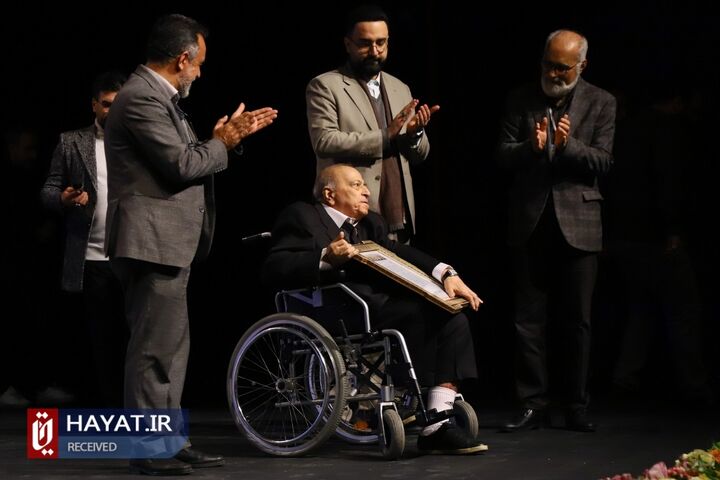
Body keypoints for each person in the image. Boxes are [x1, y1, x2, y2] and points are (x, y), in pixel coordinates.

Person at [104, 13, 277, 475]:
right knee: (152, 351)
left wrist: (223, 141)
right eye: (198, 65)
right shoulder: (141, 97)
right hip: (149, 243)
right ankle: (148, 449)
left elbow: (186, 158)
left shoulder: (159, 98)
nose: (199, 73)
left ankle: (167, 440)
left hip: (167, 243)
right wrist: (222, 141)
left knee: (171, 349)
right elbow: (180, 166)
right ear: (183, 58)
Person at [263, 164, 486, 455]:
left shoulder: (372, 224)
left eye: (364, 185)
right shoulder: (303, 216)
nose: (367, 190)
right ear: (330, 194)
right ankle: (413, 399)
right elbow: (274, 268)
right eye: (356, 185)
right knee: (419, 316)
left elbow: (401, 253)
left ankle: (437, 422)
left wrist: (446, 273)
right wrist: (324, 257)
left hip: (377, 307)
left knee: (453, 317)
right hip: (333, 308)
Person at [496, 29, 616, 432]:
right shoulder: (520, 98)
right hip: (530, 223)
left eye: (563, 67)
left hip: (579, 224)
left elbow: (603, 161)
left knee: (577, 321)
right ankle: (532, 402)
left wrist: (568, 147)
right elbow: (502, 155)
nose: (553, 73)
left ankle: (575, 404)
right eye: (548, 64)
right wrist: (531, 147)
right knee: (527, 320)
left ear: (581, 66)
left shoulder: (601, 102)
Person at [306, 4, 439, 243]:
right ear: (348, 44)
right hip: (354, 215)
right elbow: (324, 141)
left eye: (381, 42)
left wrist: (415, 134)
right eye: (365, 43)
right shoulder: (326, 86)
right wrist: (385, 135)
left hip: (400, 216)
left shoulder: (401, 88)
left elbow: (420, 156)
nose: (374, 51)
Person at [40, 71, 128, 407]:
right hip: (92, 259)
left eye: (118, 105)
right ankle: (109, 411)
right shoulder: (72, 142)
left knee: (134, 341)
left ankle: (136, 411)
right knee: (102, 342)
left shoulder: (137, 143)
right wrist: (63, 199)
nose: (112, 111)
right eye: (106, 104)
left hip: (131, 256)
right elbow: (48, 190)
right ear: (94, 105)